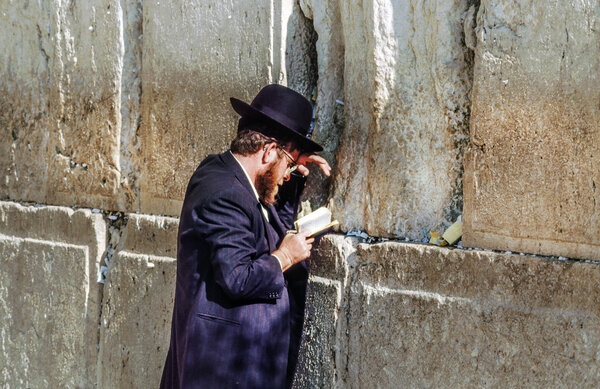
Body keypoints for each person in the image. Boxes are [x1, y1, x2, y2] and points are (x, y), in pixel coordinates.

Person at [160, 84, 331, 389]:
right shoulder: (225, 193)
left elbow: (263, 226)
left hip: (239, 364)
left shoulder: (228, 177)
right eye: (288, 165)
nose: (287, 173)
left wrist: (289, 178)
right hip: (220, 368)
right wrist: (286, 256)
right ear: (268, 151)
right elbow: (237, 276)